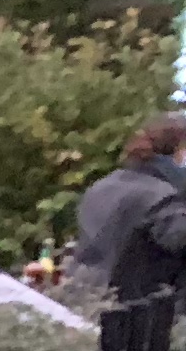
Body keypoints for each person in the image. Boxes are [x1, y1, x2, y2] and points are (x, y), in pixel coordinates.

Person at [71, 113, 186, 295]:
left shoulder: (102, 186)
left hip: (83, 300)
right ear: (176, 151)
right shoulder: (163, 198)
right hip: (134, 312)